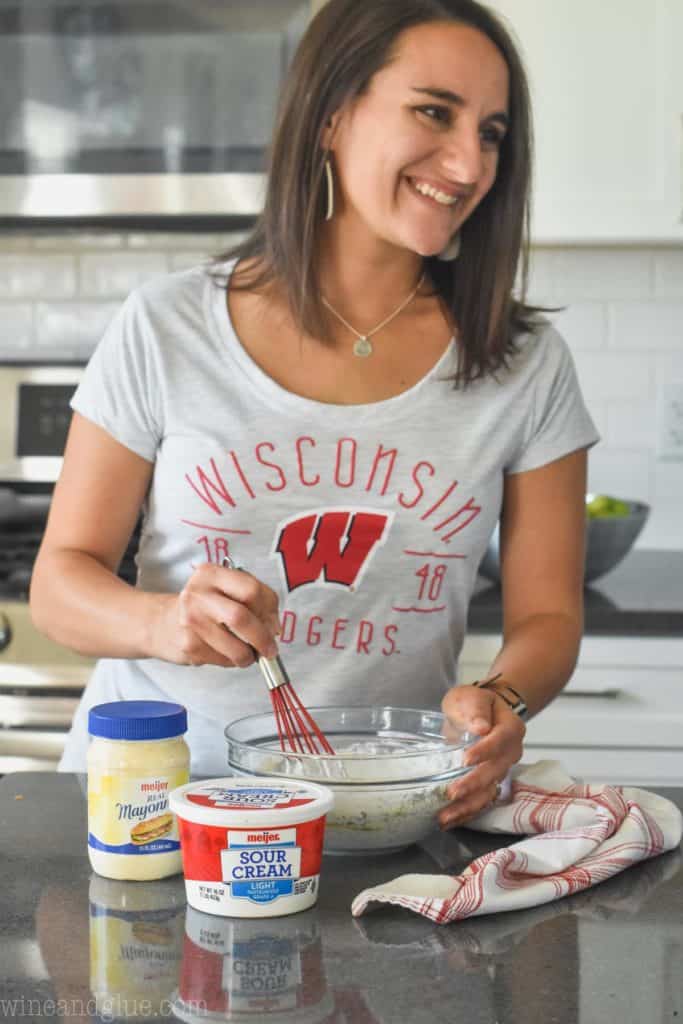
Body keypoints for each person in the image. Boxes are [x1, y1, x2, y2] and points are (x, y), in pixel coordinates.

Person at [30, 0, 599, 827]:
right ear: (332, 114)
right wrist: (165, 621)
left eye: (491, 132)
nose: (470, 162)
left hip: (375, 811)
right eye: (434, 111)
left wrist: (496, 696)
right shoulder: (167, 326)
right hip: (155, 809)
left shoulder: (522, 364)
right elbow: (58, 585)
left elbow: (547, 617)